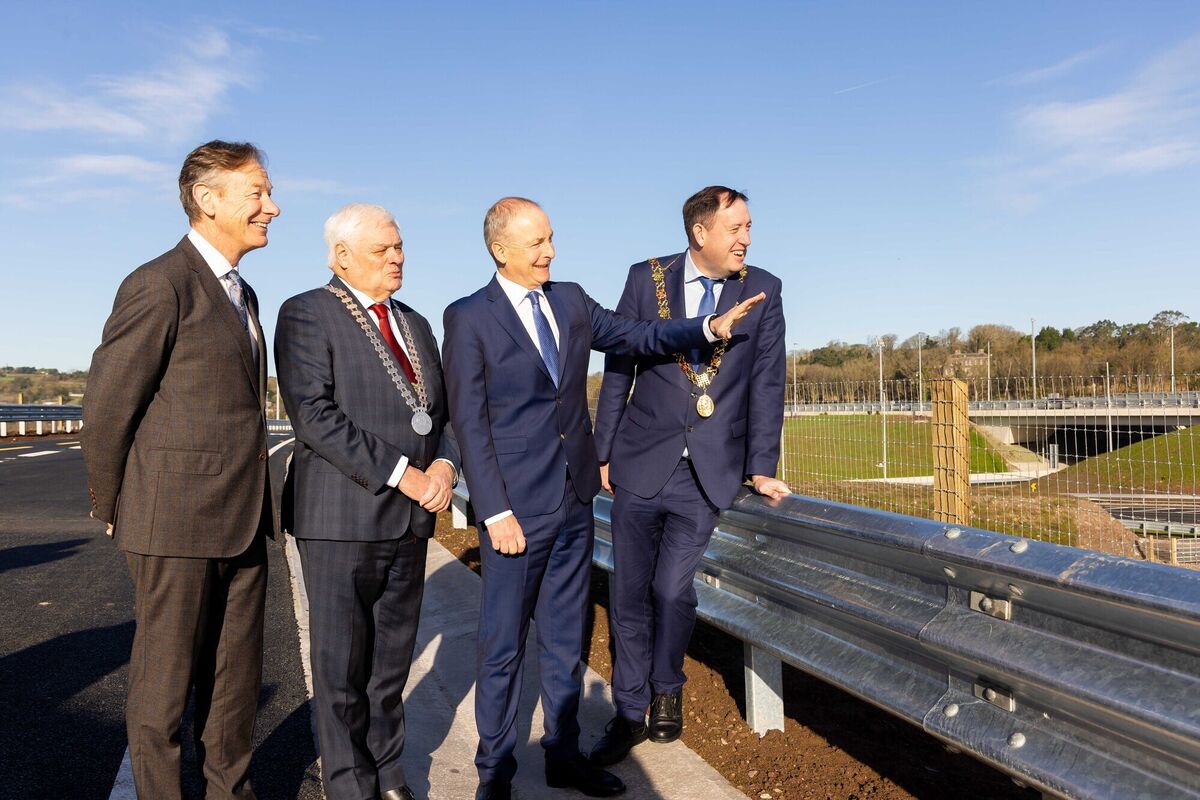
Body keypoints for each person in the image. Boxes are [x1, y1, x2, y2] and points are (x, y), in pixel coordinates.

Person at [442, 197, 766, 800]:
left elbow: (637, 334)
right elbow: (468, 420)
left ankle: (563, 754)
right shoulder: (468, 317)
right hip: (514, 511)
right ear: (500, 249)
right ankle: (495, 773)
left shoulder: (569, 299)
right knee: (504, 645)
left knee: (567, 641)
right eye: (537, 243)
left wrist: (708, 328)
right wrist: (493, 510)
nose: (551, 252)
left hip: (573, 503)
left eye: (552, 238)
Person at [82, 140, 279, 799]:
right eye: (256, 193)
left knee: (234, 683)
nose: (271, 207)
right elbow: (110, 404)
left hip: (245, 518)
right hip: (174, 521)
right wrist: (110, 504)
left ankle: (231, 791)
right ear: (207, 199)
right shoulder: (159, 283)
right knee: (163, 690)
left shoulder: (243, 293)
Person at [589, 186, 788, 766]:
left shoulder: (764, 289)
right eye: (737, 228)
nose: (747, 238)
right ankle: (628, 711)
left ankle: (667, 688)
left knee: (671, 589)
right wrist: (604, 451)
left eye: (748, 227)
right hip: (638, 461)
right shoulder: (644, 278)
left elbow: (767, 383)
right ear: (701, 233)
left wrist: (760, 467)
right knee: (627, 592)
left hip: (708, 470)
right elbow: (618, 365)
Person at [275, 203, 460, 800]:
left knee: (390, 665)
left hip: (409, 522)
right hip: (341, 518)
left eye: (399, 246)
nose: (397, 256)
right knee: (339, 669)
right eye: (382, 249)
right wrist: (405, 473)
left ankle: (388, 773)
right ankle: (349, 784)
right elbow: (314, 416)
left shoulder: (416, 323)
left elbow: (445, 414)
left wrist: (445, 462)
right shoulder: (307, 313)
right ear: (342, 256)